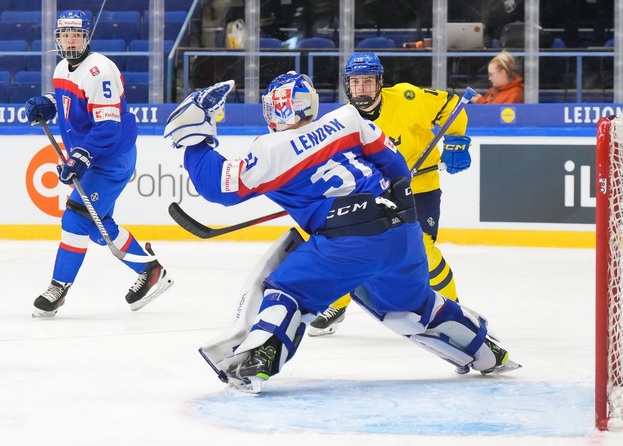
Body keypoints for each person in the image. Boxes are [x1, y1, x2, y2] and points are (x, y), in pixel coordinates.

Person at [163, 73, 520, 393]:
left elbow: (217, 188)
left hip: (345, 244)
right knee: (412, 308)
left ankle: (259, 357)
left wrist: (195, 139)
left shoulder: (270, 150)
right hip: (403, 233)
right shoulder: (349, 119)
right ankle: (487, 351)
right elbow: (396, 168)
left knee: (287, 291)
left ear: (278, 110)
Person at [308, 52, 472, 337]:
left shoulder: (408, 98)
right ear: (347, 85)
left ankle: (453, 310)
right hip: (377, 193)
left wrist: (457, 141)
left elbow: (452, 106)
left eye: (368, 81)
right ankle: (338, 304)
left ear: (380, 82)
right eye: (356, 82)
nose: (362, 88)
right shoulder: (341, 122)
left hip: (420, 187)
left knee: (423, 250)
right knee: (349, 245)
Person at [24, 10, 174, 318]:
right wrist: (49, 103)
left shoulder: (100, 70)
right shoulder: (63, 68)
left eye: (76, 34)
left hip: (110, 157)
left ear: (87, 37)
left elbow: (108, 127)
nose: (70, 39)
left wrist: (80, 156)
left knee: (77, 217)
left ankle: (59, 286)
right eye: (65, 34)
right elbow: (71, 100)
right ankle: (150, 269)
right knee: (97, 226)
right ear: (57, 37)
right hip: (93, 156)